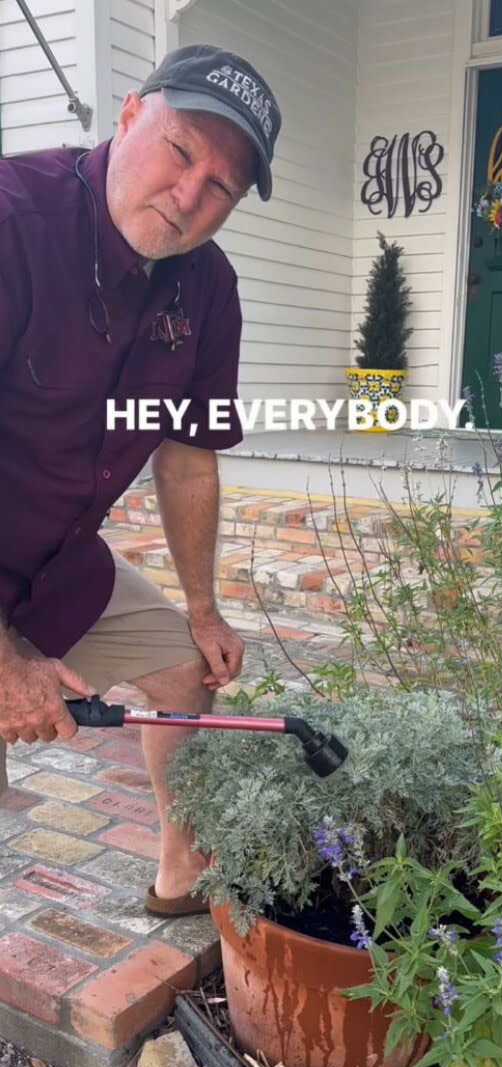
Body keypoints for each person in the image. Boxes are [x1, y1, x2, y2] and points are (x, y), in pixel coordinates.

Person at [0, 44, 280, 918]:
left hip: (55, 557)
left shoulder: (209, 288)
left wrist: (202, 609)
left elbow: (190, 454)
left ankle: (181, 884)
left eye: (223, 187)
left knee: (181, 672)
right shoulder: (13, 219)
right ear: (129, 116)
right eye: (182, 150)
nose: (191, 196)